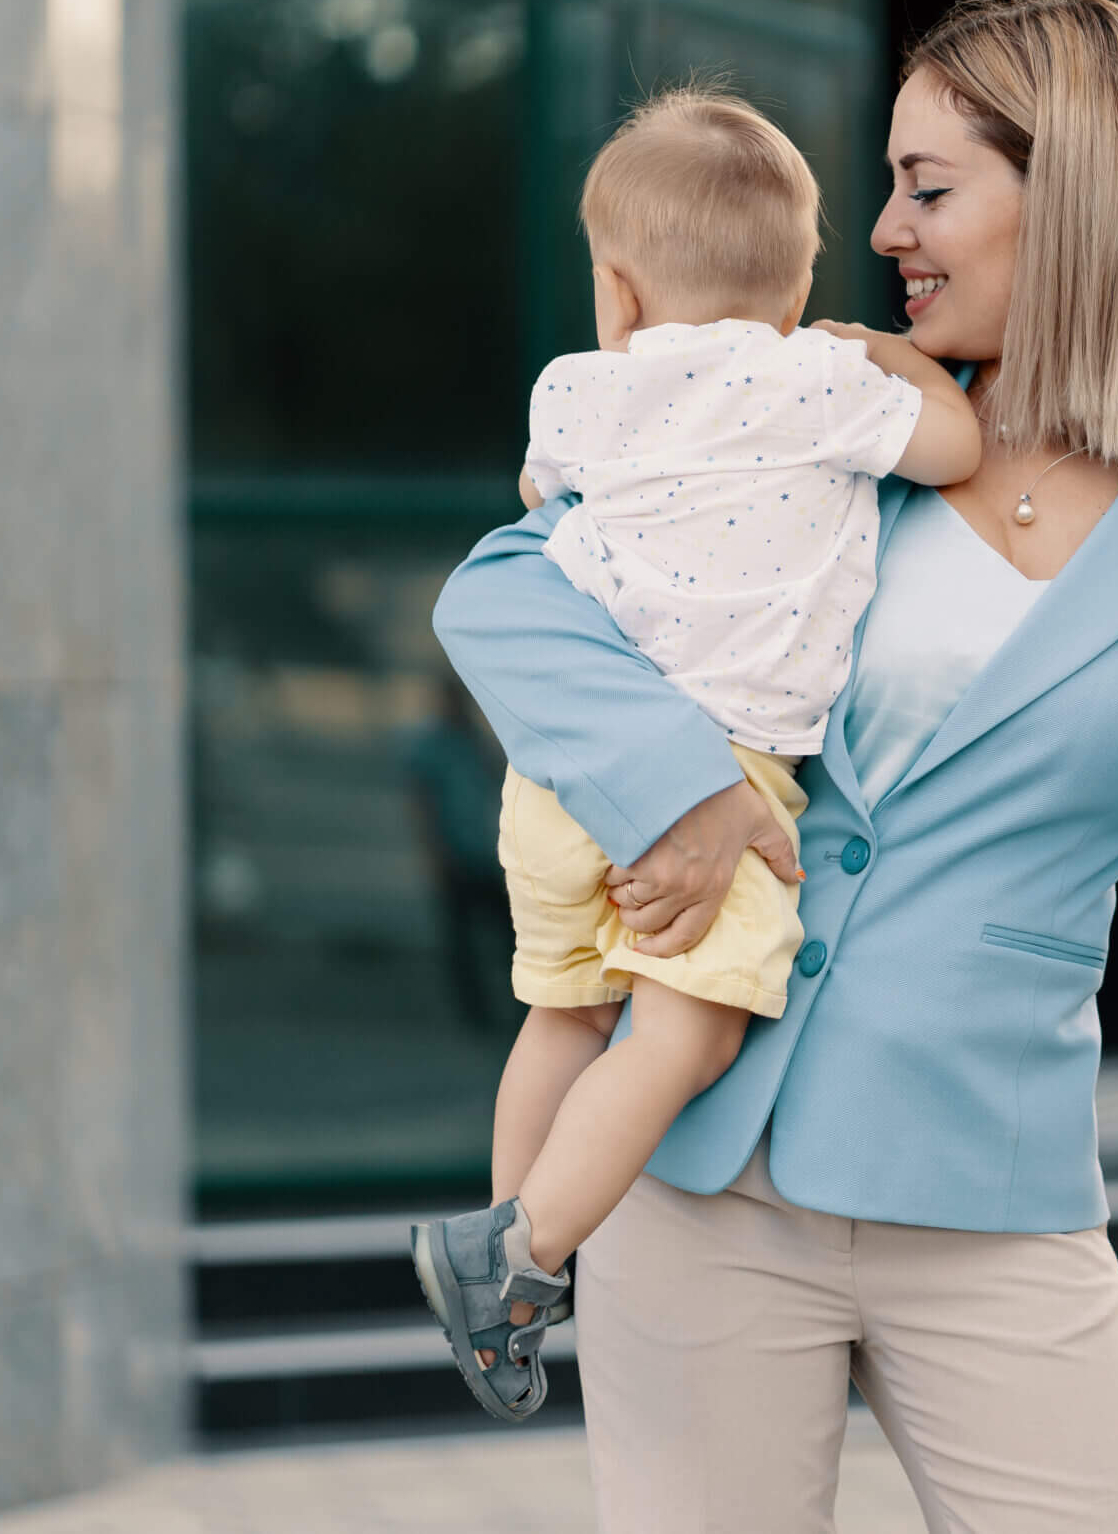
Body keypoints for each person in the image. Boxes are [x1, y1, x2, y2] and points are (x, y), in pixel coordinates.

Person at [432, 0, 1118, 1532]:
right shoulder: (822, 405)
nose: (884, 230)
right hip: (698, 1161)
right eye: (889, 186)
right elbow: (504, 591)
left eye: (929, 187)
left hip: (988, 1184)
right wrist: (681, 784)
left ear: (1078, 201)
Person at [410, 85, 982, 1424]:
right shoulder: (816, 382)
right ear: (798, 288)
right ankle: (519, 1256)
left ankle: (502, 1241)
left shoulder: (578, 392)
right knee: (685, 1036)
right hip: (722, 785)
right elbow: (955, 446)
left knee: (562, 1012)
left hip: (556, 778)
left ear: (616, 289)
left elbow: (539, 506)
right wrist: (892, 362)